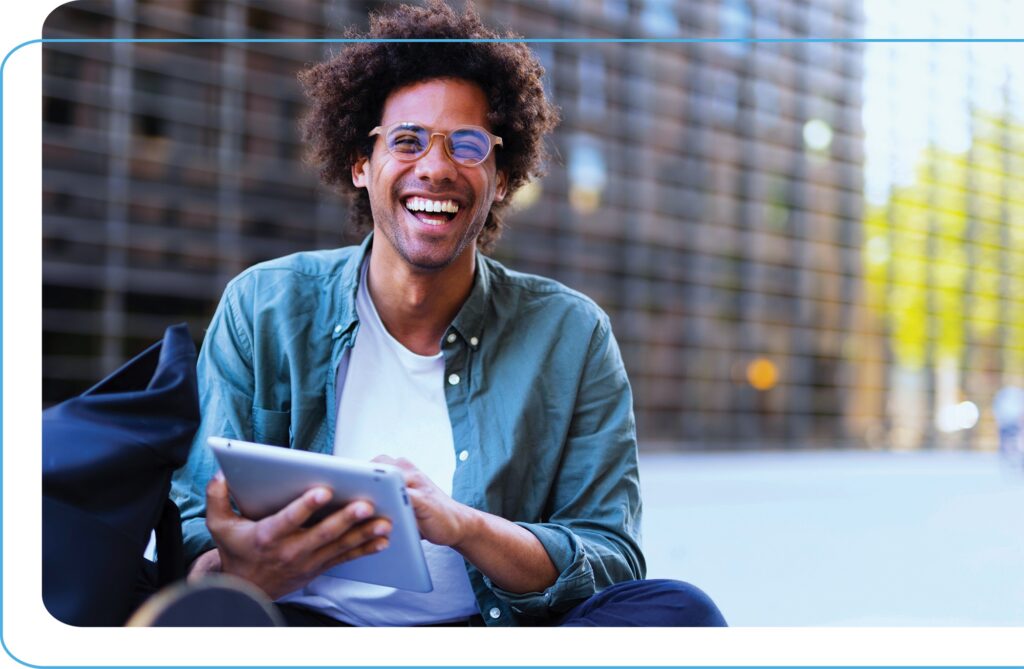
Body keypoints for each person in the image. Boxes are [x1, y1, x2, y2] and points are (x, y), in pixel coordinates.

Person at [170, 0, 726, 628]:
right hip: (298, 630)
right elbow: (190, 531)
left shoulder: (571, 335)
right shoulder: (264, 306)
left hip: (489, 638)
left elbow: (610, 556)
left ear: (503, 177)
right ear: (361, 164)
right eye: (406, 141)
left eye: (467, 145)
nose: (435, 168)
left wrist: (463, 526)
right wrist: (241, 570)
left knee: (679, 613)